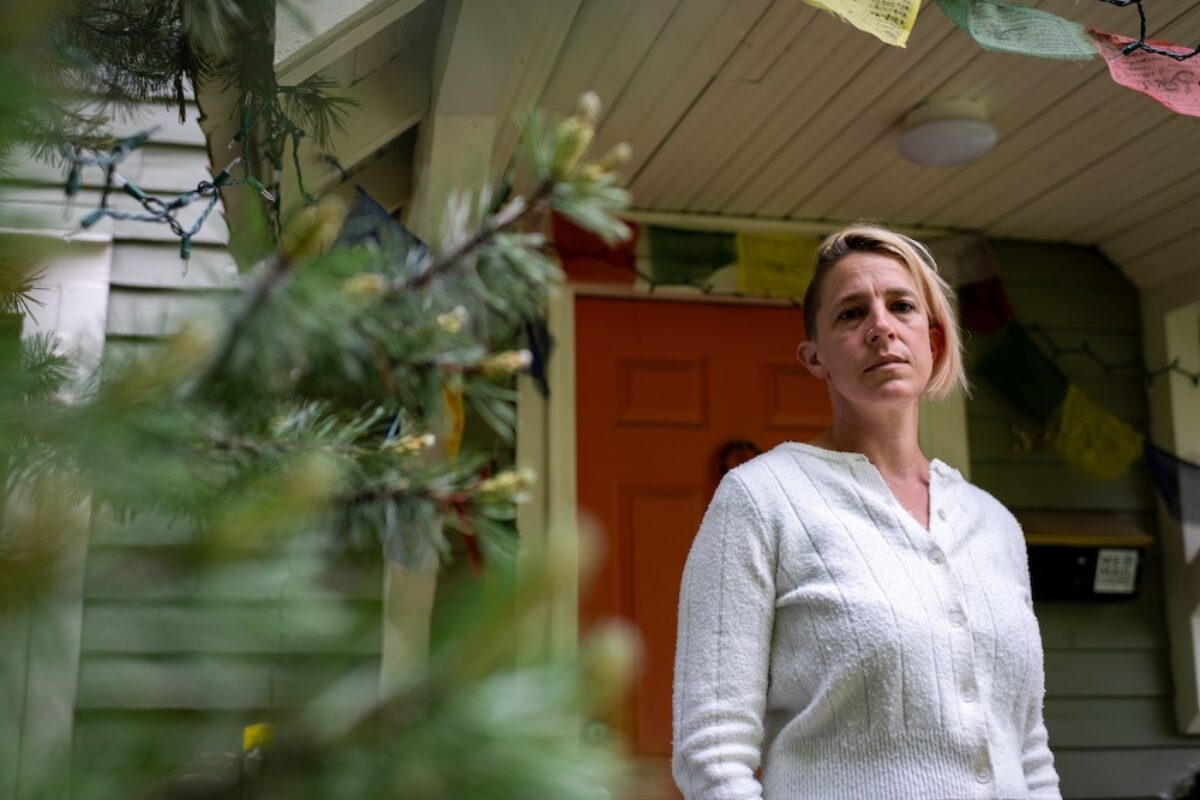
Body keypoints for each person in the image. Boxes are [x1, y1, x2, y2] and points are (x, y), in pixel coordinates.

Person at [671, 224, 1061, 800]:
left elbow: (1028, 748)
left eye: (902, 306)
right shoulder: (761, 499)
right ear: (815, 358)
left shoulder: (995, 524)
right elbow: (711, 754)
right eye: (851, 314)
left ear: (933, 340)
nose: (881, 326)